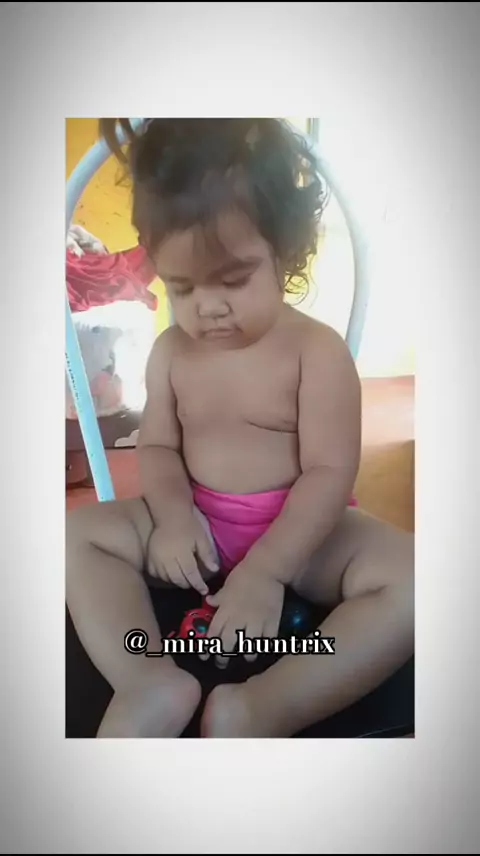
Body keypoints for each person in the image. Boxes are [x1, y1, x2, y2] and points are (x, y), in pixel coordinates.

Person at [66, 118, 414, 738]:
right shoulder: (171, 351)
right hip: (199, 525)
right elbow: (160, 446)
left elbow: (330, 473)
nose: (209, 306)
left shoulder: (315, 352)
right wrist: (174, 517)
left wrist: (268, 570)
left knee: (419, 580)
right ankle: (145, 679)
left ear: (286, 254)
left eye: (234, 279)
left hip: (303, 536)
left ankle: (264, 706)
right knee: (73, 535)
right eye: (182, 287)